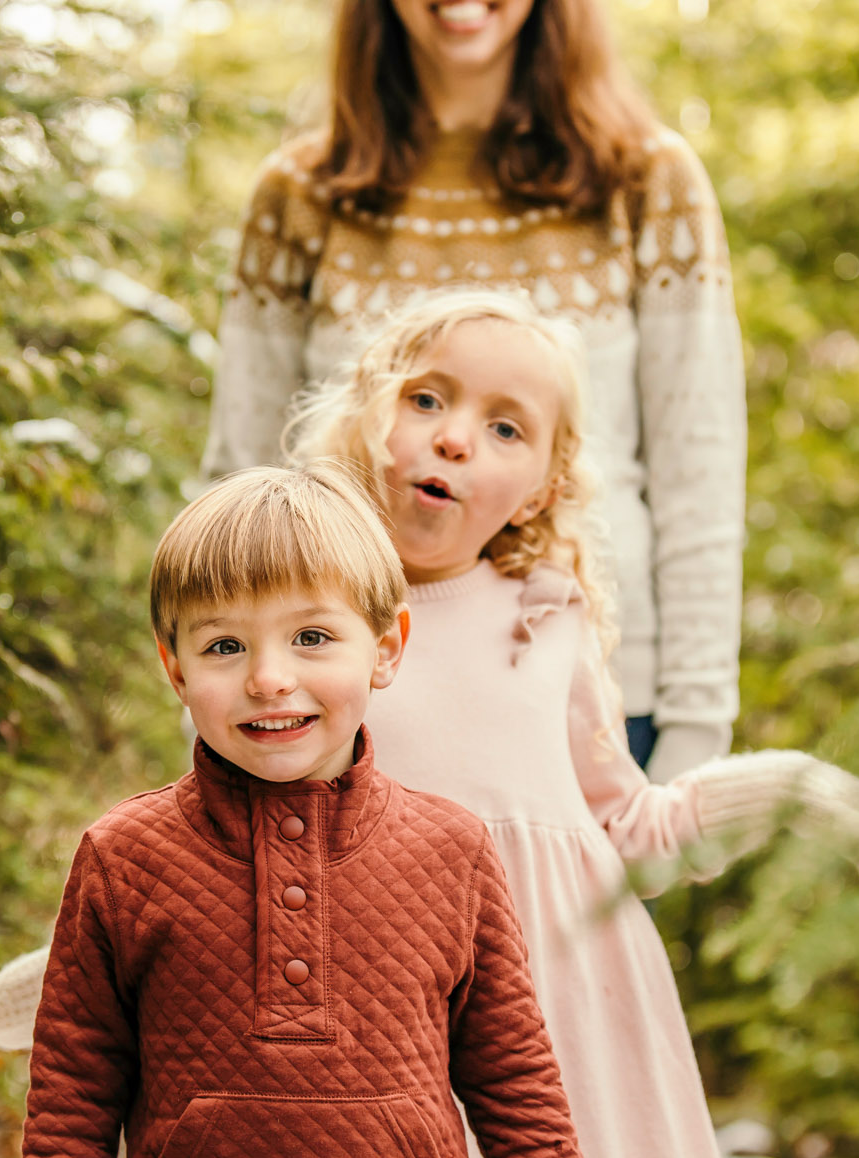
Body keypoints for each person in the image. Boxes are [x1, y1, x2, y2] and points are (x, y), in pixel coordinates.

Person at [283, 291, 859, 1158]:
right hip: (386, 1025)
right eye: (426, 397)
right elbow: (224, 845)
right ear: (364, 411)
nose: (453, 434)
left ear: (541, 483)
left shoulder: (546, 619)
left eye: (503, 426)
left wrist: (803, 791)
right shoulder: (301, 623)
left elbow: (629, 829)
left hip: (569, 1006)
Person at [6, 462, 618, 1158]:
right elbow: (75, 1077)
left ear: (389, 647)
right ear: (173, 667)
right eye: (224, 646)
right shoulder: (124, 855)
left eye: (313, 639)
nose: (268, 679)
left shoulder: (452, 849)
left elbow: (512, 1069)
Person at [203, 0, 747, 779]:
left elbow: (701, 471)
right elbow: (243, 477)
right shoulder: (303, 192)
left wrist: (696, 727)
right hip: (339, 710)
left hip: (600, 704)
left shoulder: (646, 181)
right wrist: (220, 703)